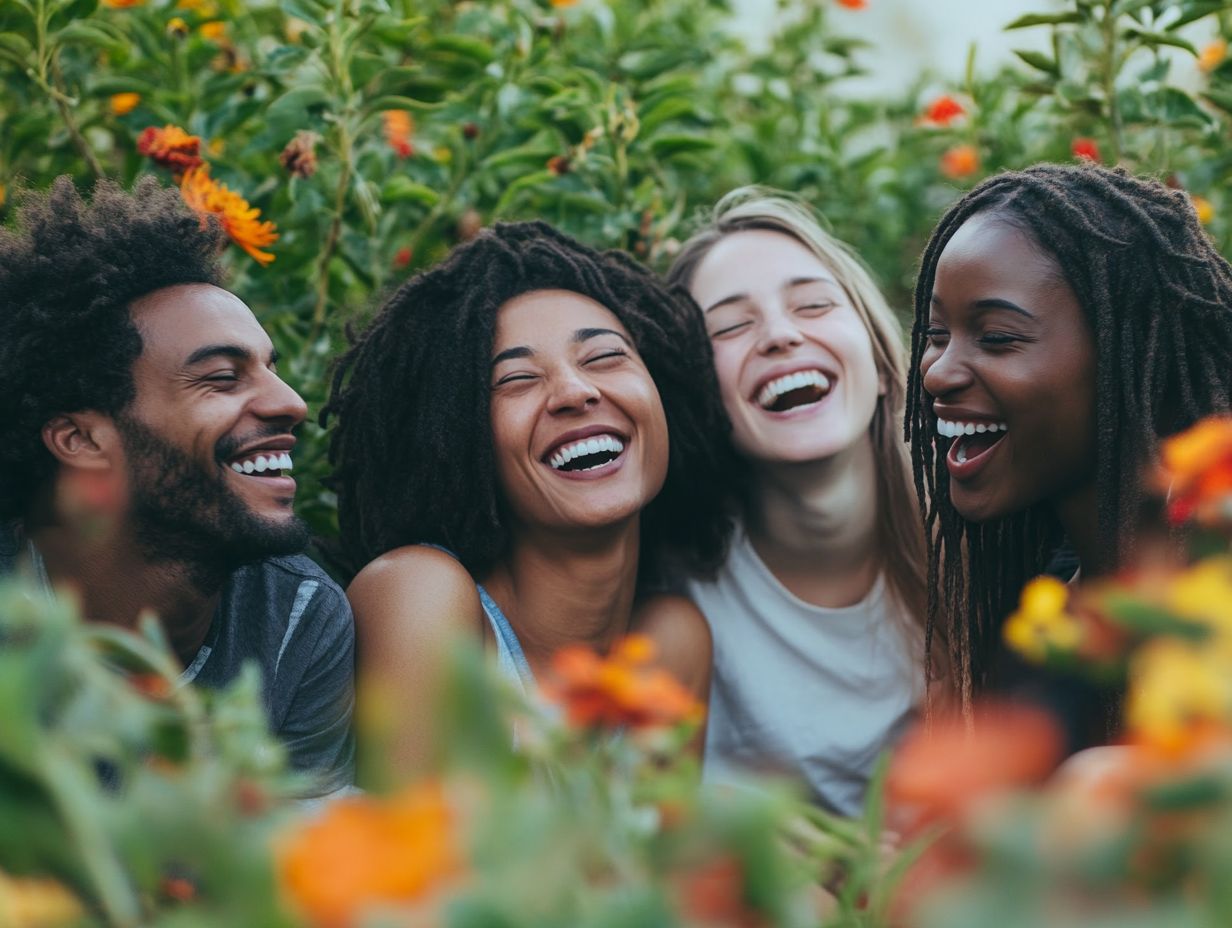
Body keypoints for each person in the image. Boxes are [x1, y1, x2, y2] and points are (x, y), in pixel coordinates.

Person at [322, 221, 734, 774]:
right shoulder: (421, 595)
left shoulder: (672, 643)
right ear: (459, 437)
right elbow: (414, 854)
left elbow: (660, 862)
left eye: (604, 358)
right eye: (516, 379)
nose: (574, 391)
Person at [0, 178, 355, 796]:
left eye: (270, 369)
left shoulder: (300, 617)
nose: (291, 403)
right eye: (222, 378)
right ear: (80, 440)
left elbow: (301, 864)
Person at [906, 163, 1232, 726]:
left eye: (997, 338)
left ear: (1129, 361)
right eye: (936, 336)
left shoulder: (1211, 611)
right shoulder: (1038, 616)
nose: (936, 374)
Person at [665, 189, 930, 815]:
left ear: (880, 359)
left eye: (812, 304)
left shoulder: (984, 542)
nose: (780, 335)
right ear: (696, 395)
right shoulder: (669, 594)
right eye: (730, 326)